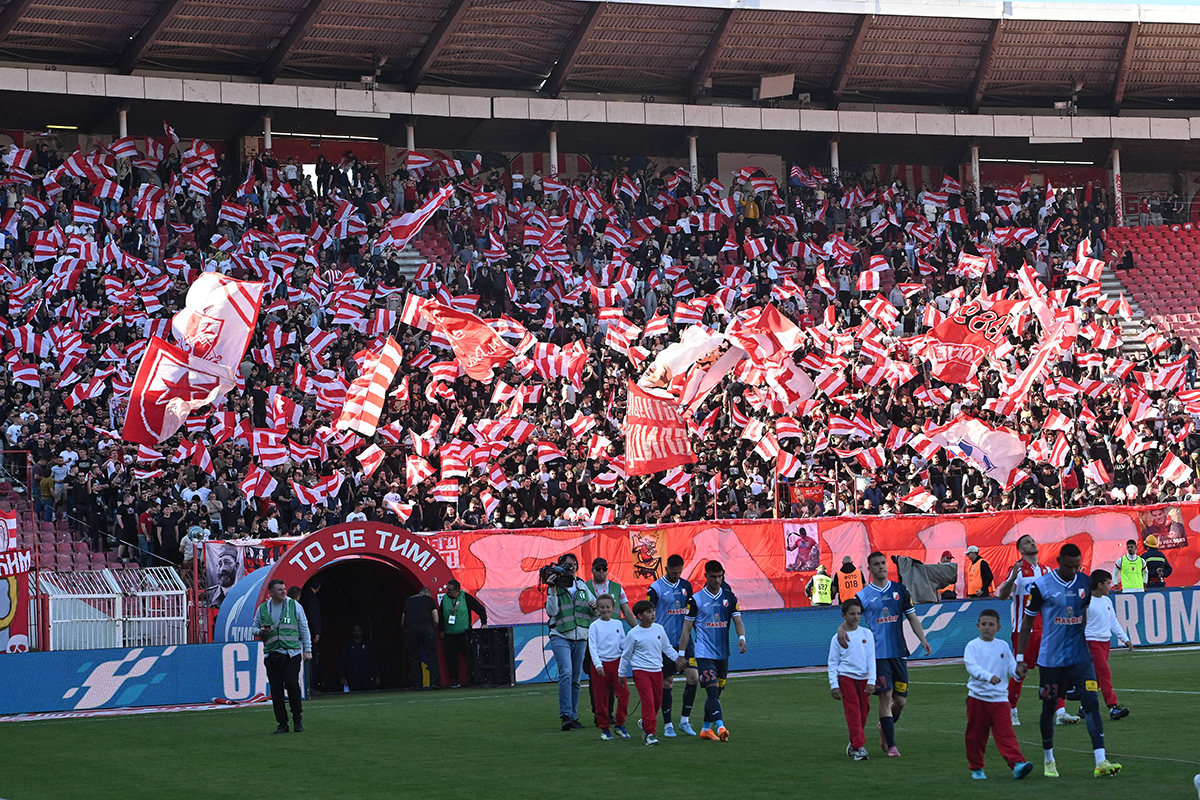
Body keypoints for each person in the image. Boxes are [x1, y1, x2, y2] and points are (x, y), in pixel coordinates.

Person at [1015, 542, 1122, 778]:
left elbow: (1083, 612)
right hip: (1051, 660)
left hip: (1080, 659)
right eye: (1069, 566)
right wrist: (1020, 657)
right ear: (1059, 562)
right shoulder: (1042, 585)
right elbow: (1027, 622)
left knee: (1091, 703)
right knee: (1049, 708)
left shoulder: (1085, 583)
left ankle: (1101, 760)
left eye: (1077, 566)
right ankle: (1049, 759)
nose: (1074, 571)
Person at [840, 550, 932, 757]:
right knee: (886, 696)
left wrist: (923, 639)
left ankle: (884, 727)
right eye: (877, 564)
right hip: (877, 656)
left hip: (898, 653)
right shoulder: (863, 595)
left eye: (883, 563)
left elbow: (912, 617)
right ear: (870, 569)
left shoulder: (900, 590)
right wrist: (840, 629)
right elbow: (850, 617)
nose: (881, 566)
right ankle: (891, 746)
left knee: (900, 702)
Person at [997, 534, 1075, 727]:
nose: (1032, 543)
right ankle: (1011, 710)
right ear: (1020, 550)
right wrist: (1012, 578)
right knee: (1020, 671)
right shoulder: (1017, 571)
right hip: (1023, 631)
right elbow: (1003, 596)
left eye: (1032, 540)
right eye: (1027, 542)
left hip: (1047, 630)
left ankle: (1060, 712)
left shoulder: (1047, 571)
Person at [678, 559, 746, 742]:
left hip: (723, 654)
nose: (717, 580)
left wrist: (742, 638)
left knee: (717, 692)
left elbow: (738, 621)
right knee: (712, 691)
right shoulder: (696, 600)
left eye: (720, 576)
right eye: (713, 576)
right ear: (706, 576)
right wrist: (681, 654)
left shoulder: (729, 598)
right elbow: (686, 629)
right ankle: (721, 726)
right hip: (703, 653)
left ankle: (706, 729)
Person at [963, 608, 1033, 780]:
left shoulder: (1003, 645)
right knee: (976, 735)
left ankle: (1017, 764)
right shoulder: (972, 646)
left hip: (1000, 700)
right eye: (984, 624)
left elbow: (1011, 667)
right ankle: (977, 768)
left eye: (991, 624)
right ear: (978, 626)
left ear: (998, 627)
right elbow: (971, 667)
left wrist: (1018, 673)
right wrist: (988, 677)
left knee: (1006, 734)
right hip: (978, 698)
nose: (987, 627)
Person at [619, 599, 685, 747]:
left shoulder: (659, 629)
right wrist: (621, 673)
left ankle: (645, 722)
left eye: (653, 610)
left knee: (657, 702)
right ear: (639, 616)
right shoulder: (633, 634)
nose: (653, 614)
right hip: (640, 671)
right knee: (648, 702)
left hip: (657, 671)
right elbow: (626, 655)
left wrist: (678, 660)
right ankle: (650, 734)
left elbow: (666, 648)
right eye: (649, 612)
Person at [646, 553, 698, 737]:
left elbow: (692, 613)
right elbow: (647, 612)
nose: (676, 575)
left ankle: (684, 721)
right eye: (673, 572)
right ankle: (668, 724)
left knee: (693, 678)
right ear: (666, 569)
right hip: (664, 644)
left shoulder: (686, 586)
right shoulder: (655, 588)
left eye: (679, 572)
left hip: (685, 641)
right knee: (667, 683)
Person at [544, 553, 597, 730]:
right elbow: (551, 612)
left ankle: (573, 716)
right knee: (566, 672)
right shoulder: (556, 585)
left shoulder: (581, 584)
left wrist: (594, 607)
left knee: (575, 678)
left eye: (574, 564)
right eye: (567, 565)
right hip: (560, 634)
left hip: (580, 636)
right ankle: (566, 715)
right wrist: (552, 589)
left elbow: (595, 609)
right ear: (560, 567)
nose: (572, 568)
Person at [251, 578, 312, 733]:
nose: (284, 592)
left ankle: (297, 716)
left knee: (292, 684)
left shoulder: (294, 606)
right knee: (276, 690)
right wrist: (261, 631)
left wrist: (307, 649)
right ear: (271, 592)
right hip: (272, 654)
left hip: (292, 653)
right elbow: (253, 628)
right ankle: (282, 723)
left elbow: (304, 628)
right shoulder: (262, 609)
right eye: (279, 589)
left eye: (284, 589)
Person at [585, 557, 633, 726]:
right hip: (593, 636)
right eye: (598, 569)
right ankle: (598, 713)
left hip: (613, 639)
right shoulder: (585, 587)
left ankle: (610, 714)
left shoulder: (616, 587)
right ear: (592, 570)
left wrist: (639, 630)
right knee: (596, 681)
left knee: (614, 681)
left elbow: (627, 611)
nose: (601, 572)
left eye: (604, 569)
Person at [828, 597, 875, 761]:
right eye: (852, 614)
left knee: (864, 713)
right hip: (846, 678)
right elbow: (832, 662)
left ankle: (854, 744)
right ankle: (859, 747)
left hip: (864, 679)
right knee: (853, 712)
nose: (856, 617)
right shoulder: (837, 638)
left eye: (858, 614)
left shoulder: (867, 634)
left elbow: (871, 658)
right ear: (843, 615)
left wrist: (872, 680)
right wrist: (834, 684)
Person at [1086, 569, 1134, 720]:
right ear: (1100, 585)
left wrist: (1125, 638)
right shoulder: (1086, 601)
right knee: (1105, 674)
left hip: (1105, 642)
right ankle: (1113, 707)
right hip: (1092, 642)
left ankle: (1084, 706)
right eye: (1108, 583)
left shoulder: (1107, 601)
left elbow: (1113, 622)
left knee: (1097, 678)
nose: (1110, 586)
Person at [587, 595, 630, 741]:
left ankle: (620, 724)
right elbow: (592, 647)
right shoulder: (594, 626)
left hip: (617, 664)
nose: (605, 610)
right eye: (602, 607)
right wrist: (598, 664)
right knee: (601, 698)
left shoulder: (618, 624)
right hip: (601, 665)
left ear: (613, 608)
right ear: (598, 609)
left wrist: (627, 658)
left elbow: (623, 643)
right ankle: (604, 728)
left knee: (624, 694)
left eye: (607, 607)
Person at [439, 579, 488, 688]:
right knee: (451, 659)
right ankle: (454, 680)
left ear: (457, 590)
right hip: (449, 634)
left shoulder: (465, 597)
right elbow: (441, 615)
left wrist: (484, 623)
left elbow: (480, 609)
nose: (447, 591)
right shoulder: (445, 599)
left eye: (450, 590)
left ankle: (475, 678)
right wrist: (441, 629)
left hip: (464, 634)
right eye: (447, 589)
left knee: (470, 657)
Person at [402, 587, 441, 690]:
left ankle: (417, 684)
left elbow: (403, 620)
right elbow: (436, 619)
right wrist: (432, 629)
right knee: (432, 655)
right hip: (426, 628)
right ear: (428, 593)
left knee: (414, 657)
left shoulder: (408, 600)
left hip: (410, 629)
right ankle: (435, 682)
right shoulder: (429, 600)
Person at [340, 624, 379, 691]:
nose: (357, 632)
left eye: (358, 630)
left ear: (362, 632)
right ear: (353, 632)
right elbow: (342, 662)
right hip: (353, 678)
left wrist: (377, 675)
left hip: (367, 677)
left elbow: (373, 660)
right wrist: (342, 677)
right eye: (355, 631)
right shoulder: (348, 645)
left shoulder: (368, 644)